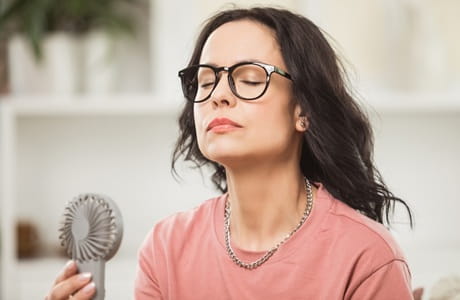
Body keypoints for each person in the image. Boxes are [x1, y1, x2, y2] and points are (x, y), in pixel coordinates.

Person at [46, 6, 415, 300]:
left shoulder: (367, 258)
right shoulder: (166, 248)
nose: (218, 95)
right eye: (205, 81)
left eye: (249, 79)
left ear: (304, 110)